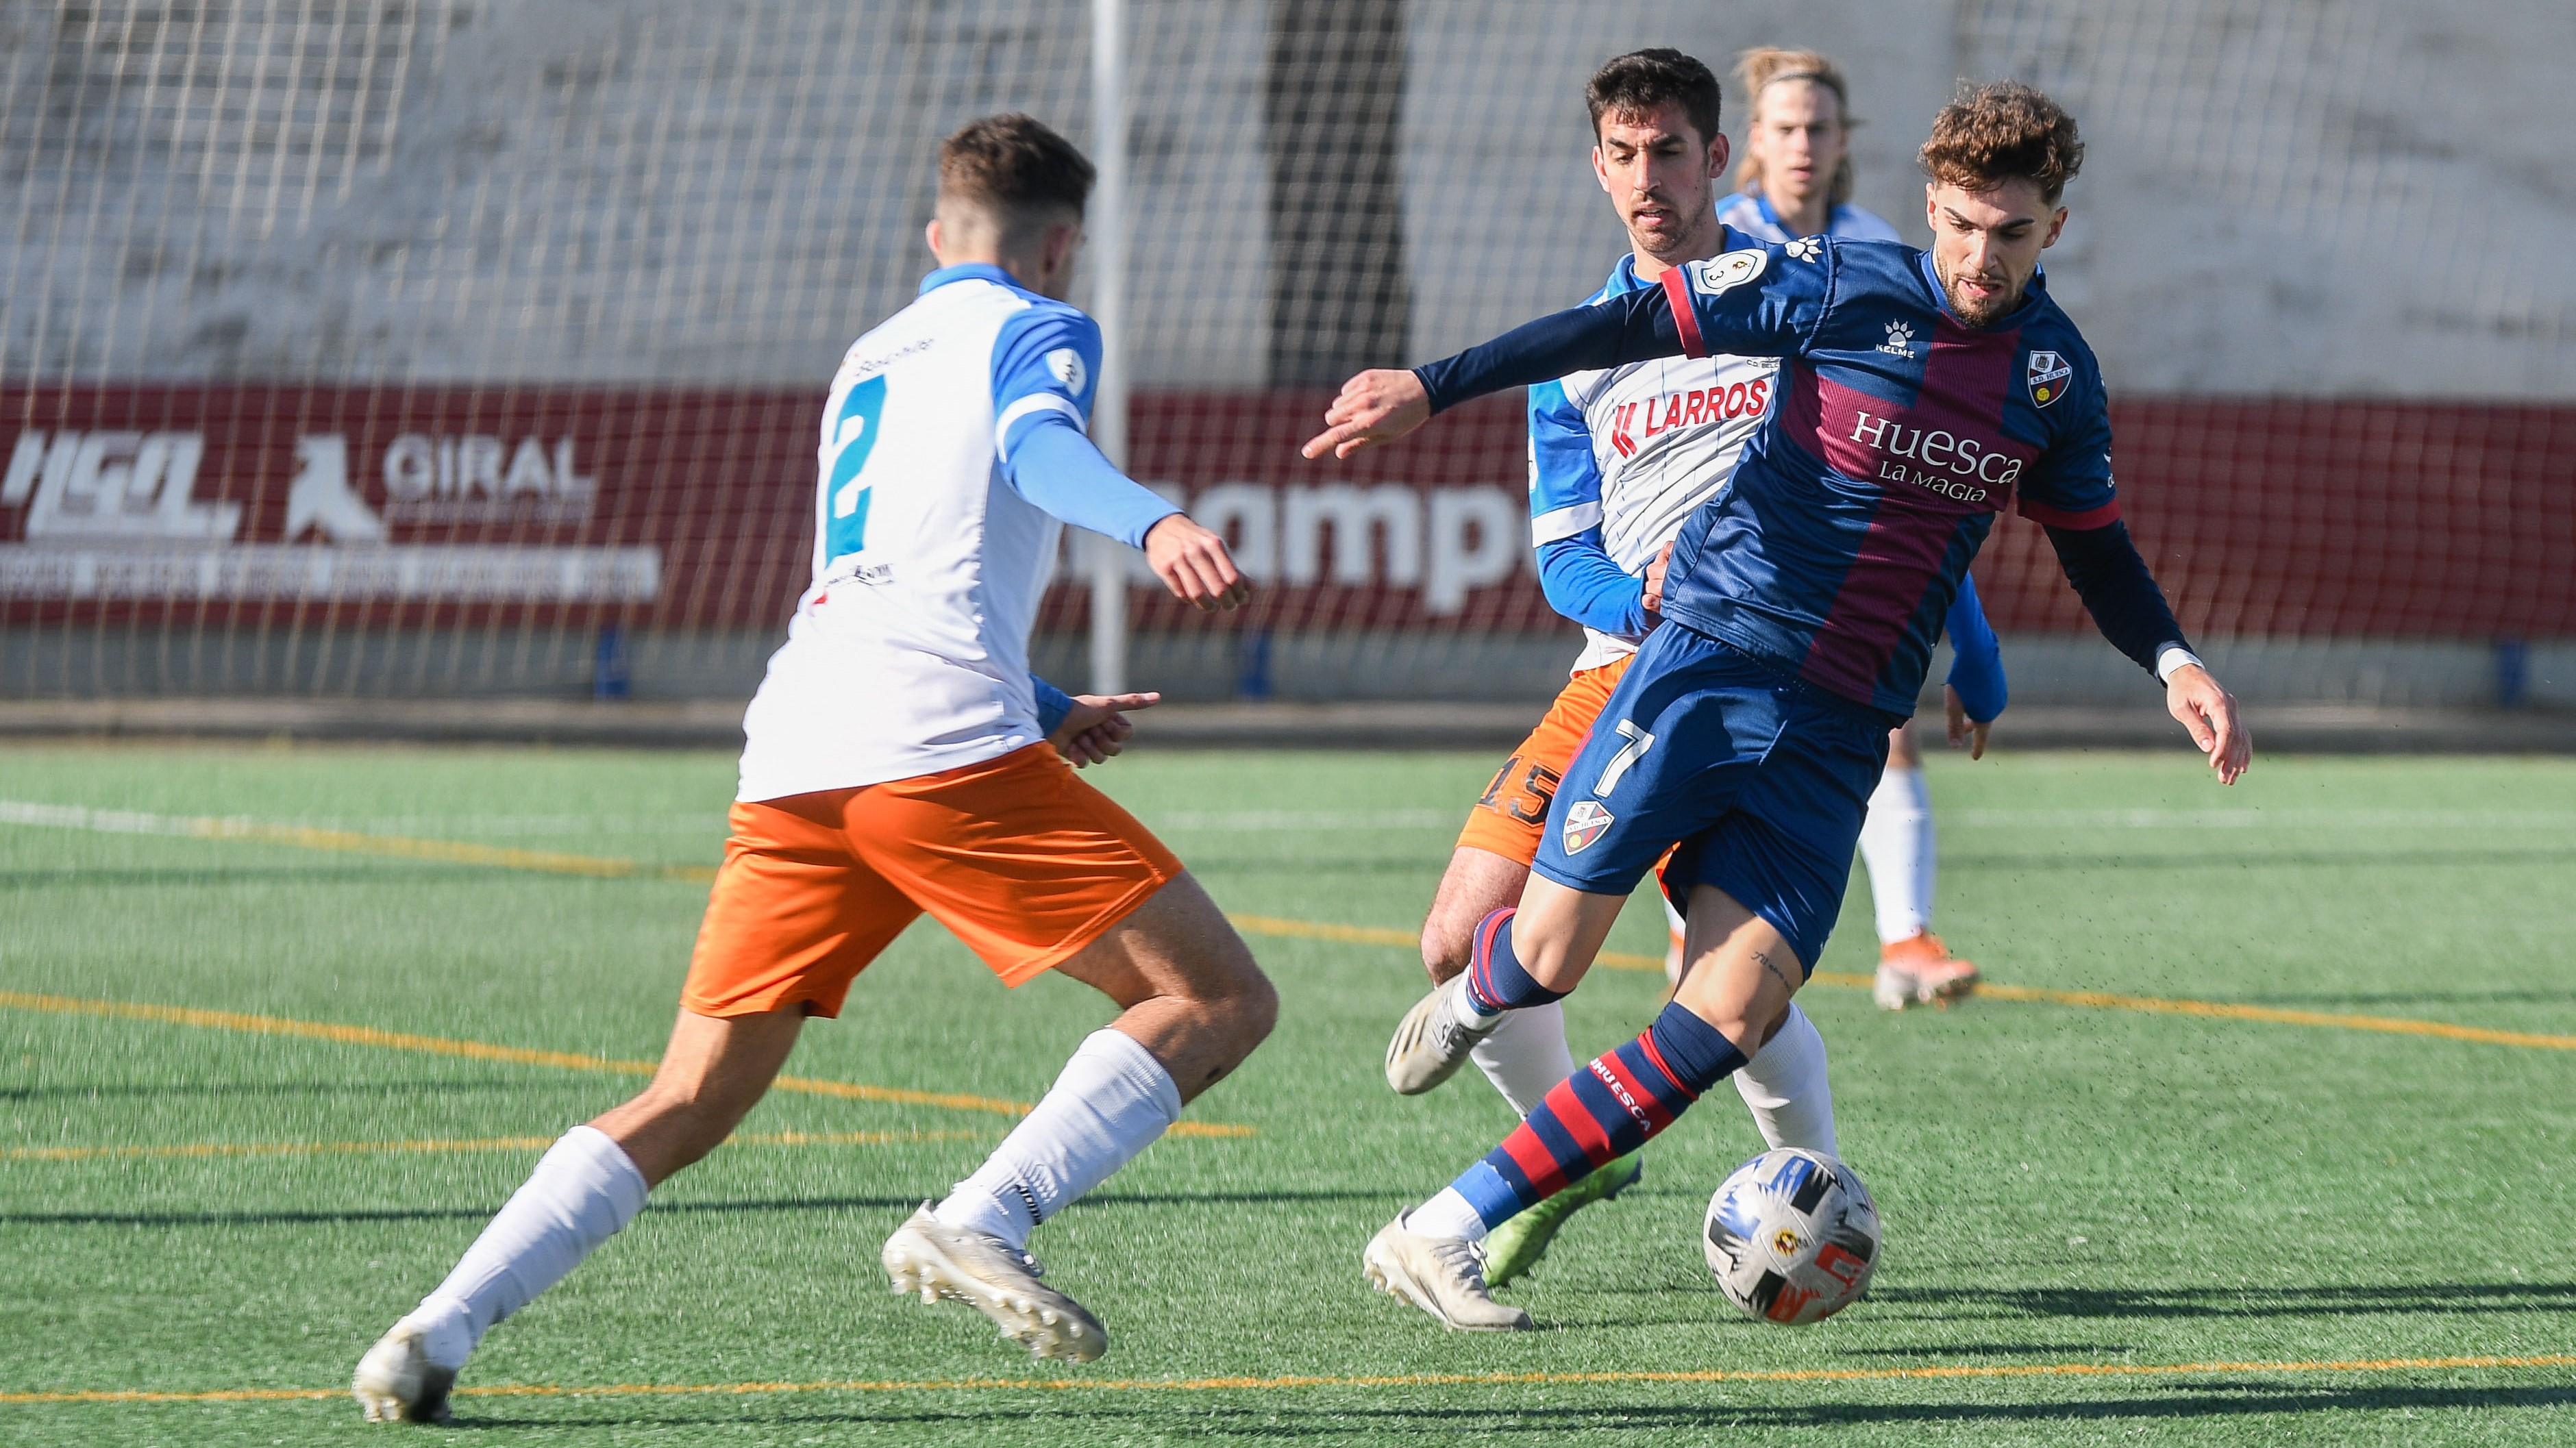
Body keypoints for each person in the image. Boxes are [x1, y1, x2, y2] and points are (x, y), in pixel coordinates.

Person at [352, 114, 1276, 1421]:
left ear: (934, 231)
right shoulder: (1038, 324)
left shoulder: (868, 357)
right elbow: (1036, 450)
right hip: (934, 743)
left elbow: (886, 567)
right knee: (1221, 999)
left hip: (799, 745)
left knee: (688, 1093)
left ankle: (432, 1328)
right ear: (1061, 243)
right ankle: (982, 1216)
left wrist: (1048, 697)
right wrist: (1157, 515)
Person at [1309, 82, 2249, 1332]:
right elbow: (1626, 325)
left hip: (1844, 730)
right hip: (1709, 661)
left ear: (2055, 229)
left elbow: (2097, 548)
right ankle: (1485, 989)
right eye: (1962, 225)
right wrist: (1435, 386)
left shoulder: (2053, 381)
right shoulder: (1836, 284)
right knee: (1544, 957)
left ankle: (1440, 1229)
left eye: (2010, 234)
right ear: (1931, 208)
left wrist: (2175, 661)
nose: (1980, 257)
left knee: (1735, 1005)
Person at [1393, 49, 2005, 1293]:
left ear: (1717, 160)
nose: (1646, 178)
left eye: (1669, 150)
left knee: (1724, 981)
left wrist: (1971, 648)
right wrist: (1640, 598)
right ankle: (1577, 1152)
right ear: (1598, 166)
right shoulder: (1580, 353)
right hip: (1625, 667)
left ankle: (1819, 1196)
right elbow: (1565, 553)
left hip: (1775, 668)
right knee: (1461, 939)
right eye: (1622, 154)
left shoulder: (1804, 300)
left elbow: (1907, 489)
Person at [1720, 47, 1988, 1010]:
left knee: (1887, 730)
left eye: (1819, 128)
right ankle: (1689, 952)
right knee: (1712, 747)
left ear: (1843, 143)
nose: (1803, 144)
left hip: (1846, 531)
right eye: (1785, 127)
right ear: (1753, 141)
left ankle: (1906, 942)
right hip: (1731, 535)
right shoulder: (1719, 240)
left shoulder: (1879, 247)